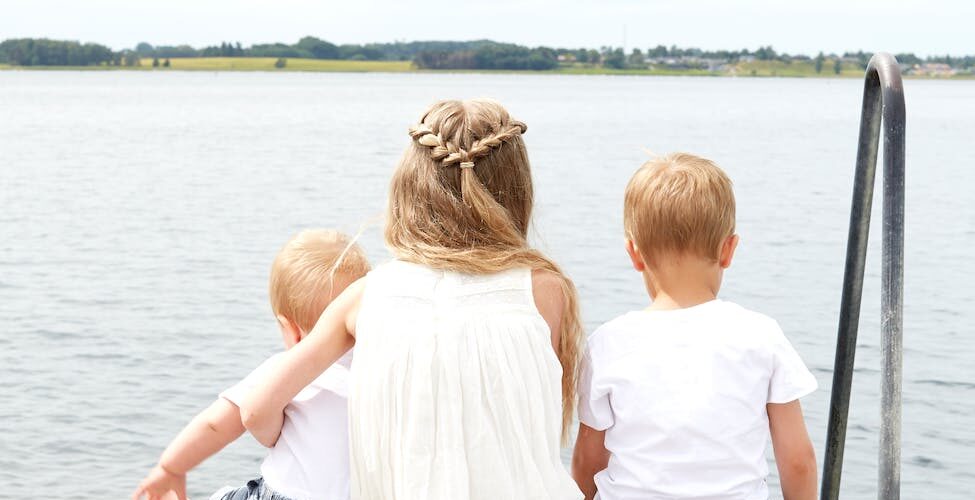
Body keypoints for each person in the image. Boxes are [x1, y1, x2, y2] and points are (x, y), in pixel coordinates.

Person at [239, 99, 584, 500]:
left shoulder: (366, 296)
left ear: (409, 188)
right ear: (518, 192)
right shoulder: (544, 290)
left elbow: (255, 409)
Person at [572, 153, 818, 500]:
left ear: (634, 254)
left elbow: (588, 461)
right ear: (728, 250)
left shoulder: (607, 344)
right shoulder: (761, 336)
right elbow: (798, 462)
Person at [132, 229, 370, 500]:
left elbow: (216, 425)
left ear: (290, 329)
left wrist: (171, 468)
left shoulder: (285, 370)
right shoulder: (377, 373)